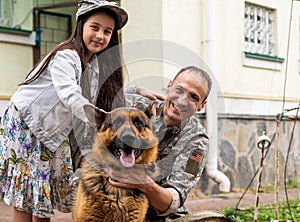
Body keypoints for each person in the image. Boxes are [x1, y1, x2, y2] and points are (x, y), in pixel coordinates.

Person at [0, 0, 128, 221]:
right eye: (95, 27)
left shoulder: (94, 64)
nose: (100, 35)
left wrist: (138, 91)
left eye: (107, 32)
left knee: (43, 194)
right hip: (27, 125)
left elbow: (97, 95)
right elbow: (70, 94)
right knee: (28, 194)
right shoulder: (66, 56)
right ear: (81, 26)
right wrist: (101, 119)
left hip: (52, 132)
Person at [107, 66, 212, 221]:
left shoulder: (198, 143)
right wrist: (134, 89)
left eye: (193, 97)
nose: (182, 101)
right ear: (169, 86)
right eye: (179, 90)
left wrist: (145, 184)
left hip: (154, 215)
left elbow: (173, 200)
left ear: (201, 105)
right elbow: (100, 98)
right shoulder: (138, 106)